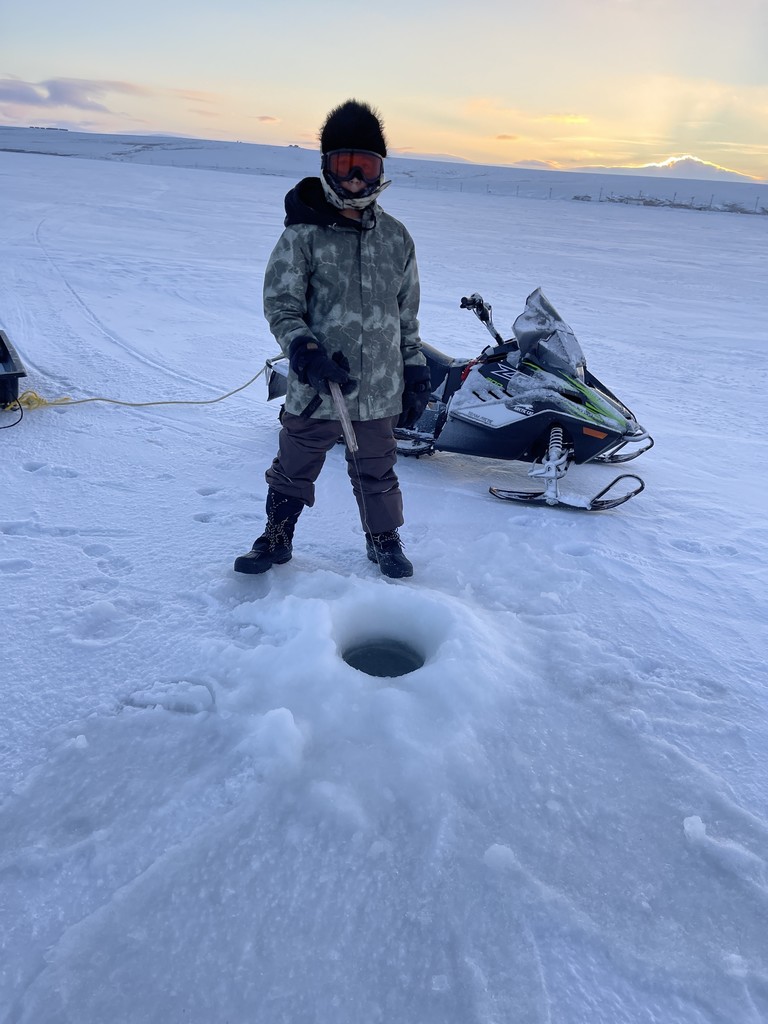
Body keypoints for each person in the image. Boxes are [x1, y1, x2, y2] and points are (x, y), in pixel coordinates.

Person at [234, 99, 431, 579]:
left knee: (378, 470)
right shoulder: (304, 235)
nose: (357, 179)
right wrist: (303, 350)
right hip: (317, 384)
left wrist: (415, 366)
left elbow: (406, 313)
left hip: (379, 386)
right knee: (294, 463)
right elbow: (281, 304)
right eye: (346, 165)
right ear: (326, 167)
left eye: (367, 166)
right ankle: (277, 537)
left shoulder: (397, 238)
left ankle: (383, 540)